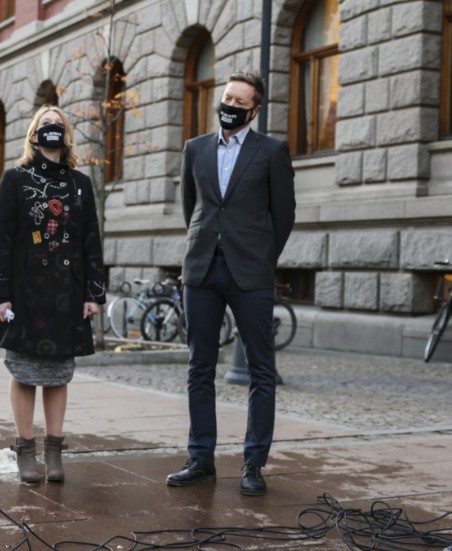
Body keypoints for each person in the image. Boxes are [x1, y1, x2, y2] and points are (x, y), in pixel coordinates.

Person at [167, 71, 296, 496]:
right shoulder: (195, 149)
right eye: (227, 97)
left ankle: (253, 464)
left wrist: (260, 257)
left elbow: (284, 215)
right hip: (201, 270)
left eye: (240, 101)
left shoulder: (272, 151)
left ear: (254, 110)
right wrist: (206, 243)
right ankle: (200, 459)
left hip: (251, 274)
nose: (230, 105)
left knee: (262, 369)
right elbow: (191, 207)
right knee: (199, 367)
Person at [0, 105, 105, 484]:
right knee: (23, 372)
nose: (51, 128)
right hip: (23, 295)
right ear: (34, 135)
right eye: (44, 124)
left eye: (58, 124)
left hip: (66, 295)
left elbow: (91, 241)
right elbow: (0, 241)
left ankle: (54, 450)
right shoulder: (15, 179)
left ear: (65, 134)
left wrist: (94, 293)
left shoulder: (80, 184)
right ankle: (26, 449)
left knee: (57, 375)